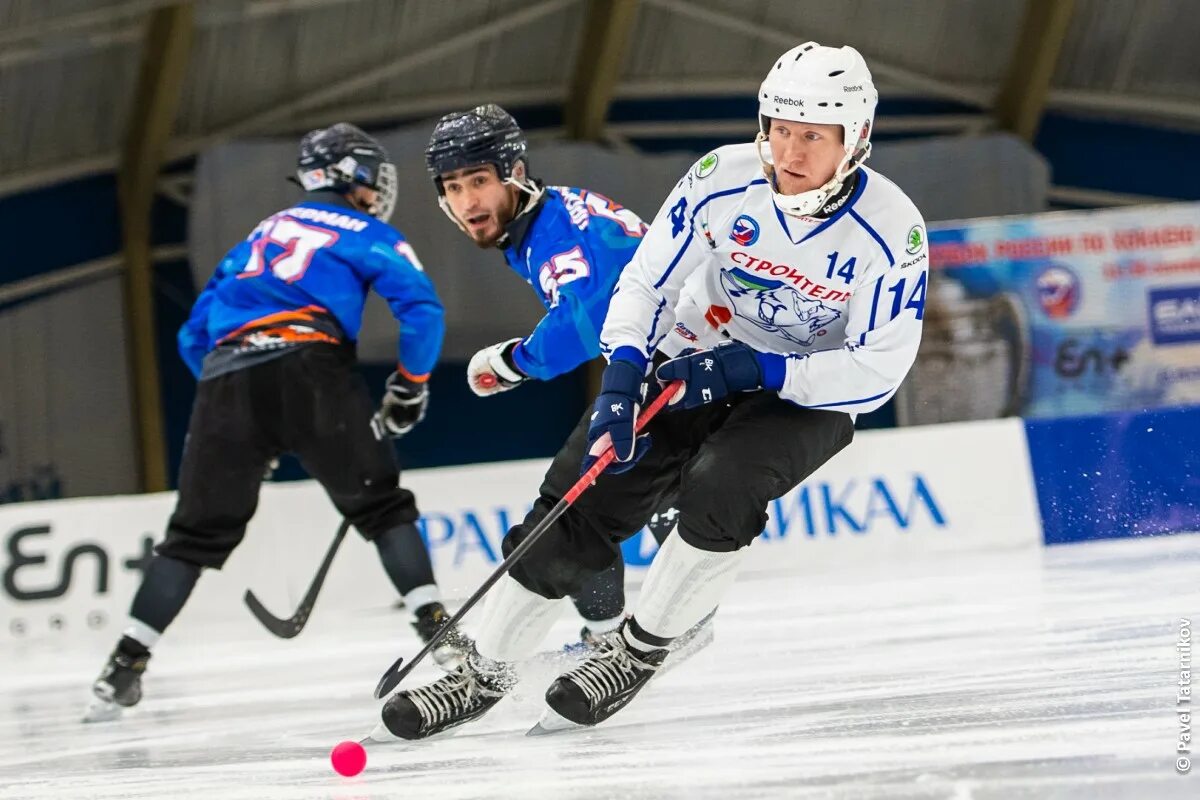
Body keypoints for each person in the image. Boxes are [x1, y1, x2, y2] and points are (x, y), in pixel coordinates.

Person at [375, 40, 929, 741]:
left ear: (857, 139)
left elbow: (881, 366)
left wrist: (761, 370)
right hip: (691, 354)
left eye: (812, 137)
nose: (788, 152)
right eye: (779, 129)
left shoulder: (892, 229)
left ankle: (639, 650)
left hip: (803, 392)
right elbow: (645, 281)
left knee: (721, 483)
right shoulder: (719, 178)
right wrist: (623, 376)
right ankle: (484, 671)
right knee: (579, 492)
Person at [85, 123, 467, 722]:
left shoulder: (254, 241)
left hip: (228, 379)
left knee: (191, 537)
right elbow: (421, 310)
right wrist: (409, 386)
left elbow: (194, 337)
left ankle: (123, 666)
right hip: (312, 367)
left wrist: (236, 414)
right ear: (357, 178)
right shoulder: (368, 231)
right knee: (382, 508)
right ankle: (437, 631)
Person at [424, 104, 700, 652]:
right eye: (454, 187)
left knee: (573, 509)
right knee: (613, 497)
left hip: (673, 360)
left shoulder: (555, 234)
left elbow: (585, 320)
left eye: (479, 181)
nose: (468, 201)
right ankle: (644, 627)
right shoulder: (548, 219)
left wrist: (515, 362)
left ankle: (647, 631)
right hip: (672, 355)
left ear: (515, 175)